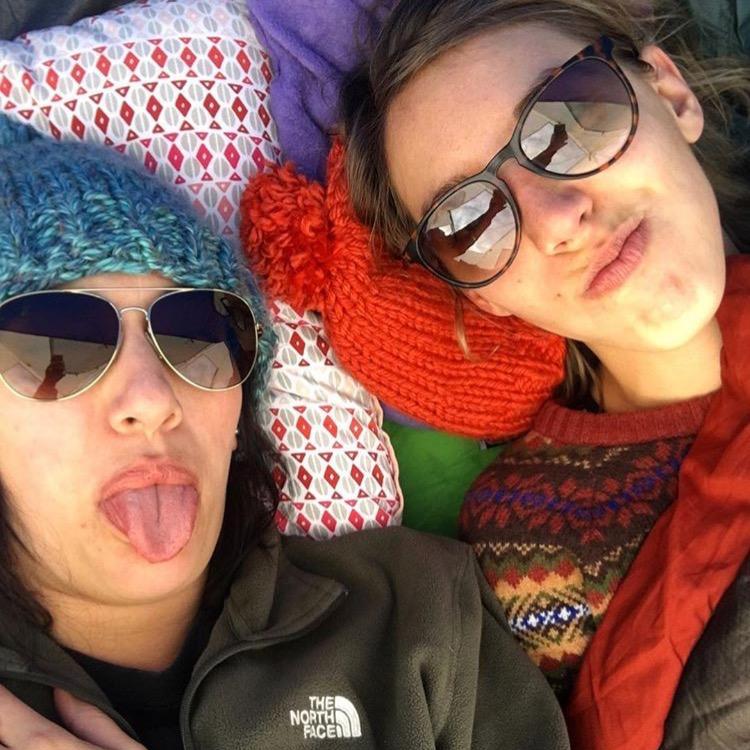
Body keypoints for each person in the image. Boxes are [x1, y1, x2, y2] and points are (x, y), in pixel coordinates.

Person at [0, 114, 570, 749]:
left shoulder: (420, 616)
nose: (153, 400)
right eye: (57, 346)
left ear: (236, 419)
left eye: (195, 335)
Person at [341, 0, 750, 747]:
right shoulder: (534, 545)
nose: (558, 219)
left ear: (670, 92)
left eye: (570, 117)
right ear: (484, 295)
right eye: (470, 224)